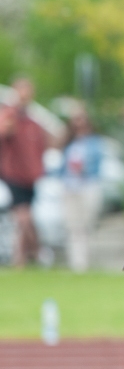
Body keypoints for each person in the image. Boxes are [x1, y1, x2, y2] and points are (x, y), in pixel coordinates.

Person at [0, 77, 50, 267]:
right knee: (24, 218)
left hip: (31, 178)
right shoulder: (10, 115)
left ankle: (20, 259)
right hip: (14, 175)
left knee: (24, 221)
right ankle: (37, 253)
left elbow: (41, 146)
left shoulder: (32, 120)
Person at [60, 110, 105, 272]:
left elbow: (97, 166)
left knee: (86, 225)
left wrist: (83, 167)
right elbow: (62, 167)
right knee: (73, 226)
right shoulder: (69, 143)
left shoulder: (95, 143)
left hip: (88, 186)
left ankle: (85, 261)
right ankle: (77, 264)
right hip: (70, 187)